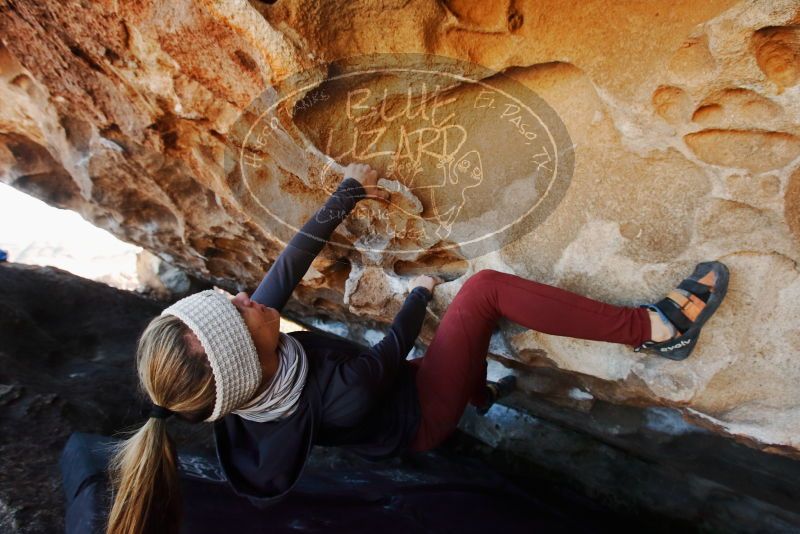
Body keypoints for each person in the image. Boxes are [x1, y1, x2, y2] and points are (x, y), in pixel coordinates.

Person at [106, 163, 728, 534]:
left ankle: (478, 391)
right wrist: (420, 292)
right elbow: (389, 353)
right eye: (235, 311)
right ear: (248, 358)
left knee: (451, 356)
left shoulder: (257, 366)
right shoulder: (337, 395)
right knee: (482, 293)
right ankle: (658, 330)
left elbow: (287, 268)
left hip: (392, 389)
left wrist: (349, 190)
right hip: (419, 414)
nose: (243, 296)